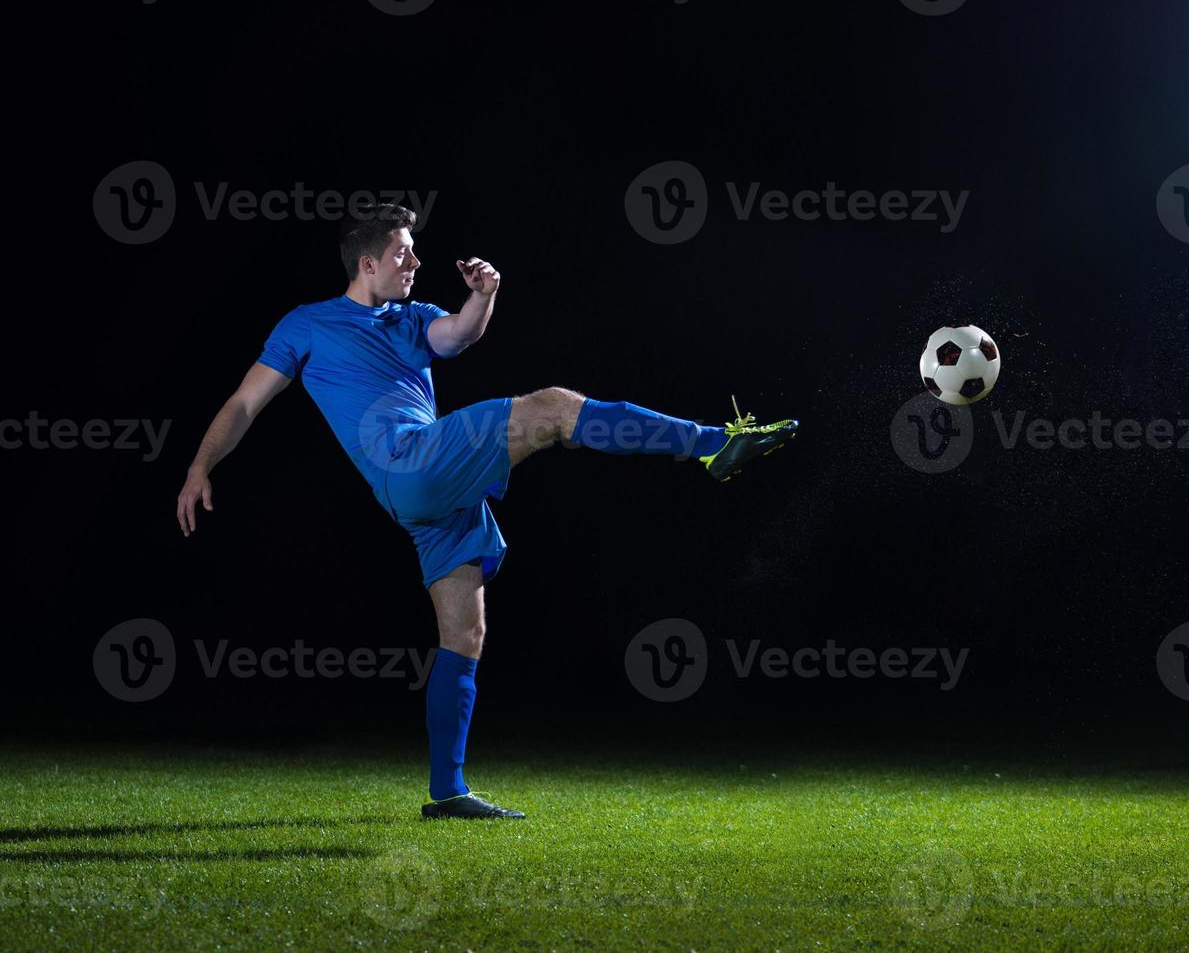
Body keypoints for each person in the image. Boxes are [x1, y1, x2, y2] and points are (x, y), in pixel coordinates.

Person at [175, 204, 798, 819]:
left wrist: (484, 294)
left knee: (464, 634)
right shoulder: (307, 325)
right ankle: (714, 444)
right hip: (410, 461)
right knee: (553, 407)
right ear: (367, 263)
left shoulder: (413, 316)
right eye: (402, 253)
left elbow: (459, 334)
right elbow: (243, 403)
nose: (414, 261)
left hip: (426, 494)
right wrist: (201, 466)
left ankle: (448, 791)